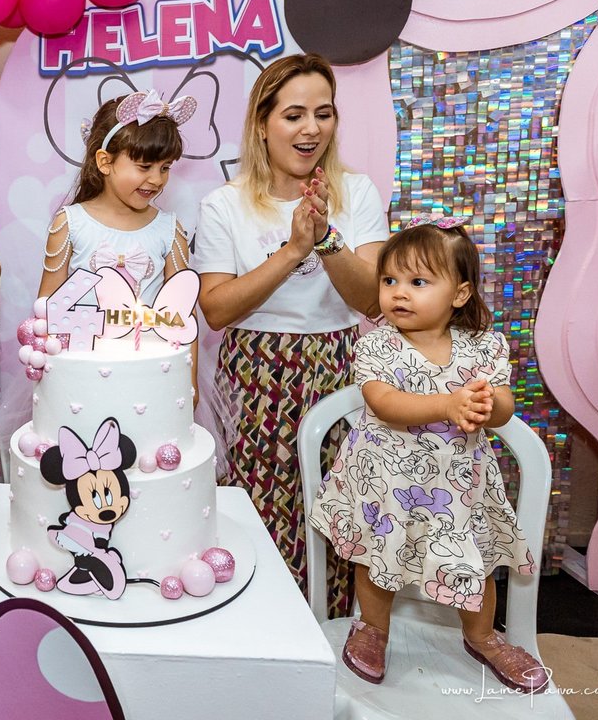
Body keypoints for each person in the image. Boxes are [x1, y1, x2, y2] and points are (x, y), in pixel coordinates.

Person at [308, 218, 545, 693]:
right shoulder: (377, 344)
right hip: (387, 486)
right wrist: (447, 404)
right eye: (390, 280)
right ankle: (373, 628)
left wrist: (487, 404)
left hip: (460, 489)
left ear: (458, 294)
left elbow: (504, 407)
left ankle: (482, 636)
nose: (398, 292)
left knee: (476, 564)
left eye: (418, 282)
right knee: (376, 562)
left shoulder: (484, 345)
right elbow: (383, 402)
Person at [194, 53, 389, 615]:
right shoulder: (224, 204)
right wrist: (293, 250)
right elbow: (216, 309)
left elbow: (371, 298)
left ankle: (333, 632)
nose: (311, 129)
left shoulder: (358, 192)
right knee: (262, 507)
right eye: (295, 115)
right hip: (255, 373)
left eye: (324, 114)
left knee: (338, 509)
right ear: (262, 122)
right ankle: (263, 627)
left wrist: (326, 240)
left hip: (339, 365)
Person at [38, 90, 196, 307]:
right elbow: (48, 309)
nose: (157, 179)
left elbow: (182, 315)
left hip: (148, 341)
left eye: (165, 167)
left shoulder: (169, 231)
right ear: (105, 162)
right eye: (145, 167)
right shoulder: (70, 224)